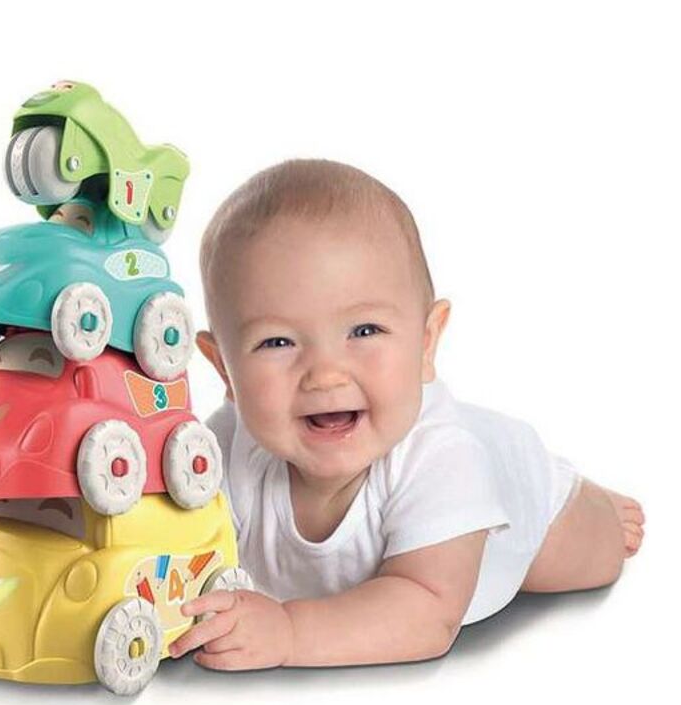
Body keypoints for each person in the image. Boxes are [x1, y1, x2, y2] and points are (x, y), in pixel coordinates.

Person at [168, 159, 644, 670]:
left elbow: (426, 611)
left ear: (426, 342)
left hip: (520, 498)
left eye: (364, 331)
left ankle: (586, 497)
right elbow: (171, 532)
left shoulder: (444, 462)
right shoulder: (222, 451)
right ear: (224, 369)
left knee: (591, 555)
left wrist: (288, 633)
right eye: (277, 342)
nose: (325, 375)